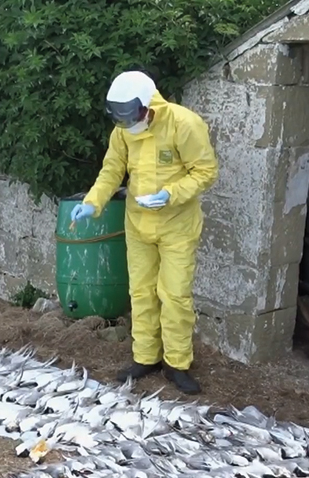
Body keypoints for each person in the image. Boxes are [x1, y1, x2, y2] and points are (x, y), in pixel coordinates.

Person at [70, 70, 219, 394]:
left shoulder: (184, 123)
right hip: (138, 224)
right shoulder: (123, 130)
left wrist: (170, 193)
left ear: (148, 105)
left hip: (176, 224)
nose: (128, 123)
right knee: (140, 292)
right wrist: (93, 202)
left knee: (175, 295)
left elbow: (206, 171)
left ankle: (177, 364)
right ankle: (145, 357)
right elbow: (112, 169)